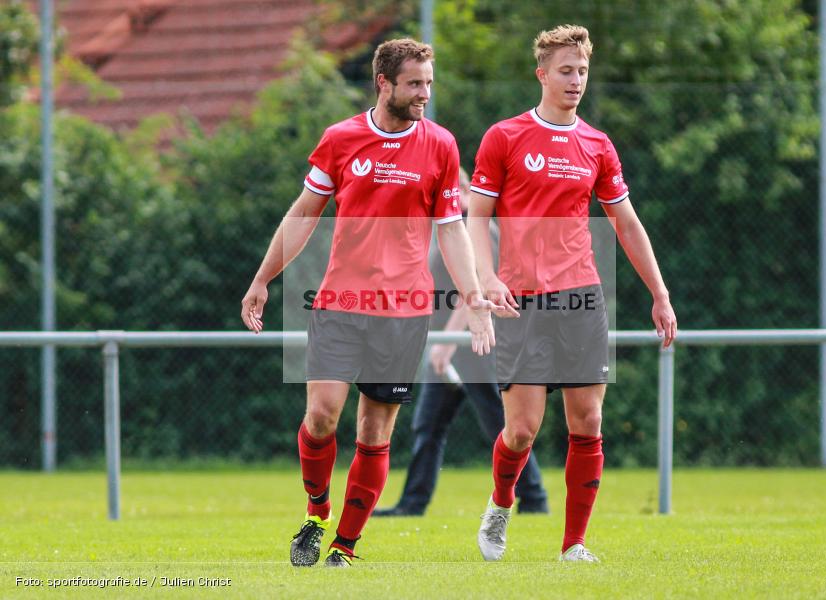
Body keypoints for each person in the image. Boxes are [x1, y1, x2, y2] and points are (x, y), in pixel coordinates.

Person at [240, 38, 508, 568]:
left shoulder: (441, 145)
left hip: (404, 311)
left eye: (429, 82)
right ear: (383, 83)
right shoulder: (341, 139)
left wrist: (474, 298)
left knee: (373, 431)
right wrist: (263, 278)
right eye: (414, 83)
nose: (424, 93)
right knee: (320, 417)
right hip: (341, 302)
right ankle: (317, 513)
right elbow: (303, 215)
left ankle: (345, 544)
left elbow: (452, 231)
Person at [467, 24, 678, 563]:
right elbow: (476, 218)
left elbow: (626, 224)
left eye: (582, 71)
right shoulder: (505, 137)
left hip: (581, 296)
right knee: (523, 429)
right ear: (542, 74)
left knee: (588, 423)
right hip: (520, 300)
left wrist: (659, 293)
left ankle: (574, 544)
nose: (575, 80)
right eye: (566, 71)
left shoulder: (597, 145)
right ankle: (499, 505)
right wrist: (487, 278)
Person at [373, 168, 548, 518]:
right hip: (449, 346)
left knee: (502, 423)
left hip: (479, 344)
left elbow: (476, 289)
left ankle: (534, 498)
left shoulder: (474, 226)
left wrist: (449, 344)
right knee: (429, 424)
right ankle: (412, 503)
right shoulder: (447, 226)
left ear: (462, 189)